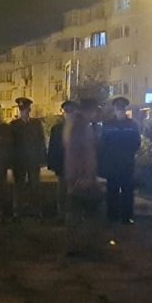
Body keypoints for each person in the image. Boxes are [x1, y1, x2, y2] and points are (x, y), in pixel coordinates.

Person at [64, 98, 103, 255]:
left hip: (78, 176)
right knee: (87, 213)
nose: (96, 114)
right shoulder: (80, 127)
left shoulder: (78, 124)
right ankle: (83, 248)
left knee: (79, 213)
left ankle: (78, 247)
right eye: (95, 110)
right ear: (90, 110)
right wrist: (85, 176)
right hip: (81, 177)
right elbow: (79, 153)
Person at [98, 96, 143, 224]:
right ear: (114, 108)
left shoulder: (132, 124)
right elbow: (102, 144)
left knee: (127, 191)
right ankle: (112, 216)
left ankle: (127, 217)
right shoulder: (107, 124)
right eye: (118, 106)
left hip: (127, 163)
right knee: (112, 191)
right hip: (112, 164)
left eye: (122, 106)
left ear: (125, 108)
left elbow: (137, 143)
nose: (120, 108)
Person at [10, 97, 47, 219]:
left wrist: (42, 159)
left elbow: (41, 141)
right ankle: (17, 212)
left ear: (29, 110)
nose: (23, 112)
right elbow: (11, 144)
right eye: (21, 110)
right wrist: (11, 161)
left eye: (25, 109)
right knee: (18, 187)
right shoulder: (14, 125)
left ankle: (36, 211)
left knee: (35, 186)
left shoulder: (36, 124)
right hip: (19, 161)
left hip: (33, 160)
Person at [46, 100, 76, 222]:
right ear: (63, 112)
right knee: (62, 191)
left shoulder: (80, 128)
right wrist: (52, 164)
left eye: (71, 110)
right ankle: (62, 214)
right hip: (62, 165)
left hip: (76, 166)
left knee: (74, 192)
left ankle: (74, 214)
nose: (68, 113)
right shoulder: (57, 129)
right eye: (66, 111)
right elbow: (53, 147)